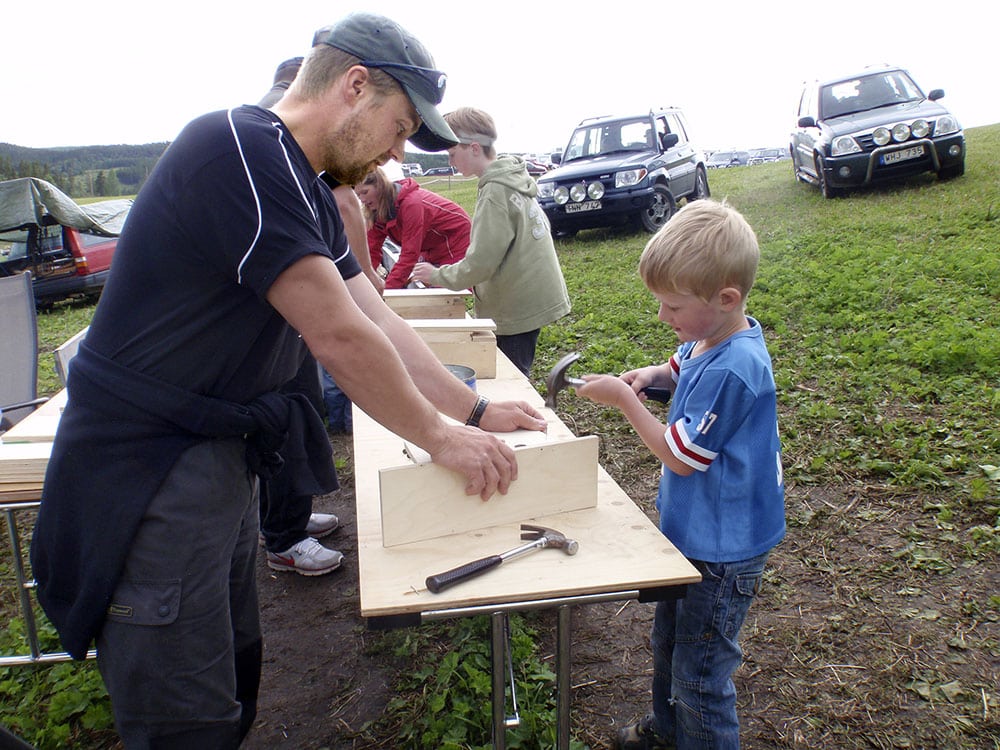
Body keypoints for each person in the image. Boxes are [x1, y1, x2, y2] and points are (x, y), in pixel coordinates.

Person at [30, 13, 545, 748]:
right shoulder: (236, 148)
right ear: (355, 87)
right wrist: (440, 438)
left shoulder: (304, 184)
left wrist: (472, 408)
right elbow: (335, 334)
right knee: (184, 711)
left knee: (231, 672)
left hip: (217, 456)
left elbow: (374, 317)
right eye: (399, 129)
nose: (398, 154)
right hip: (147, 471)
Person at [574, 199, 785, 749]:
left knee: (701, 673)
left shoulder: (738, 367)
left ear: (726, 299)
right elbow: (678, 365)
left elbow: (681, 455)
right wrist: (648, 375)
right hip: (693, 534)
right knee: (669, 644)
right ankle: (667, 732)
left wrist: (625, 399)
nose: (663, 317)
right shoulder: (706, 337)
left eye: (672, 305)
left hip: (723, 548)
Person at [411, 107, 570, 376]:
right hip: (529, 295)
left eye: (452, 154)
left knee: (512, 374)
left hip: (517, 305)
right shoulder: (509, 177)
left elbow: (481, 264)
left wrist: (436, 275)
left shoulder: (495, 191)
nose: (451, 162)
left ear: (474, 148)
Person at [356, 166, 471, 289]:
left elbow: (409, 254)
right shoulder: (376, 211)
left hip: (455, 237)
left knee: (447, 291)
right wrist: (363, 286)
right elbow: (372, 250)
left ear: (380, 186)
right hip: (429, 243)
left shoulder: (411, 205)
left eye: (365, 192)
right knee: (422, 280)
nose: (362, 199)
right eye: (358, 195)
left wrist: (388, 292)